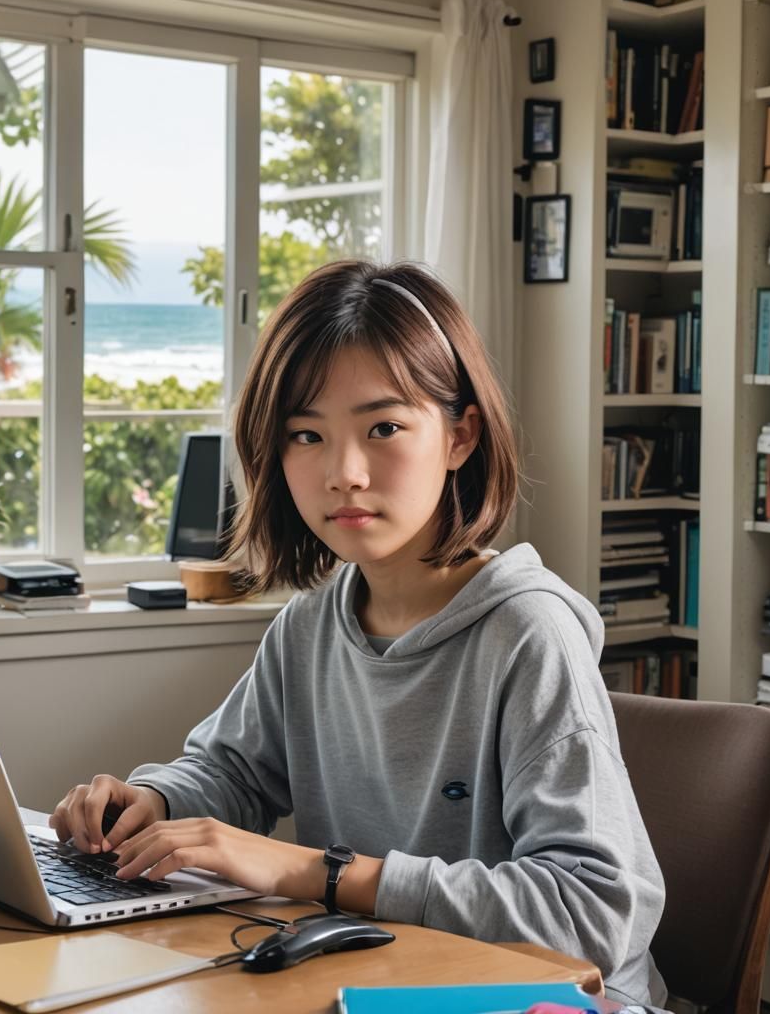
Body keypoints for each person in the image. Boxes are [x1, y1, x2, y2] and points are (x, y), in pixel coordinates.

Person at [49, 260, 667, 1008]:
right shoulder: (309, 628)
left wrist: (319, 872)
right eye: (306, 435)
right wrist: (152, 802)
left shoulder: (528, 635)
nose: (343, 472)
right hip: (379, 985)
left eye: (384, 427)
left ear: (461, 436)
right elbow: (232, 774)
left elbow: (591, 912)